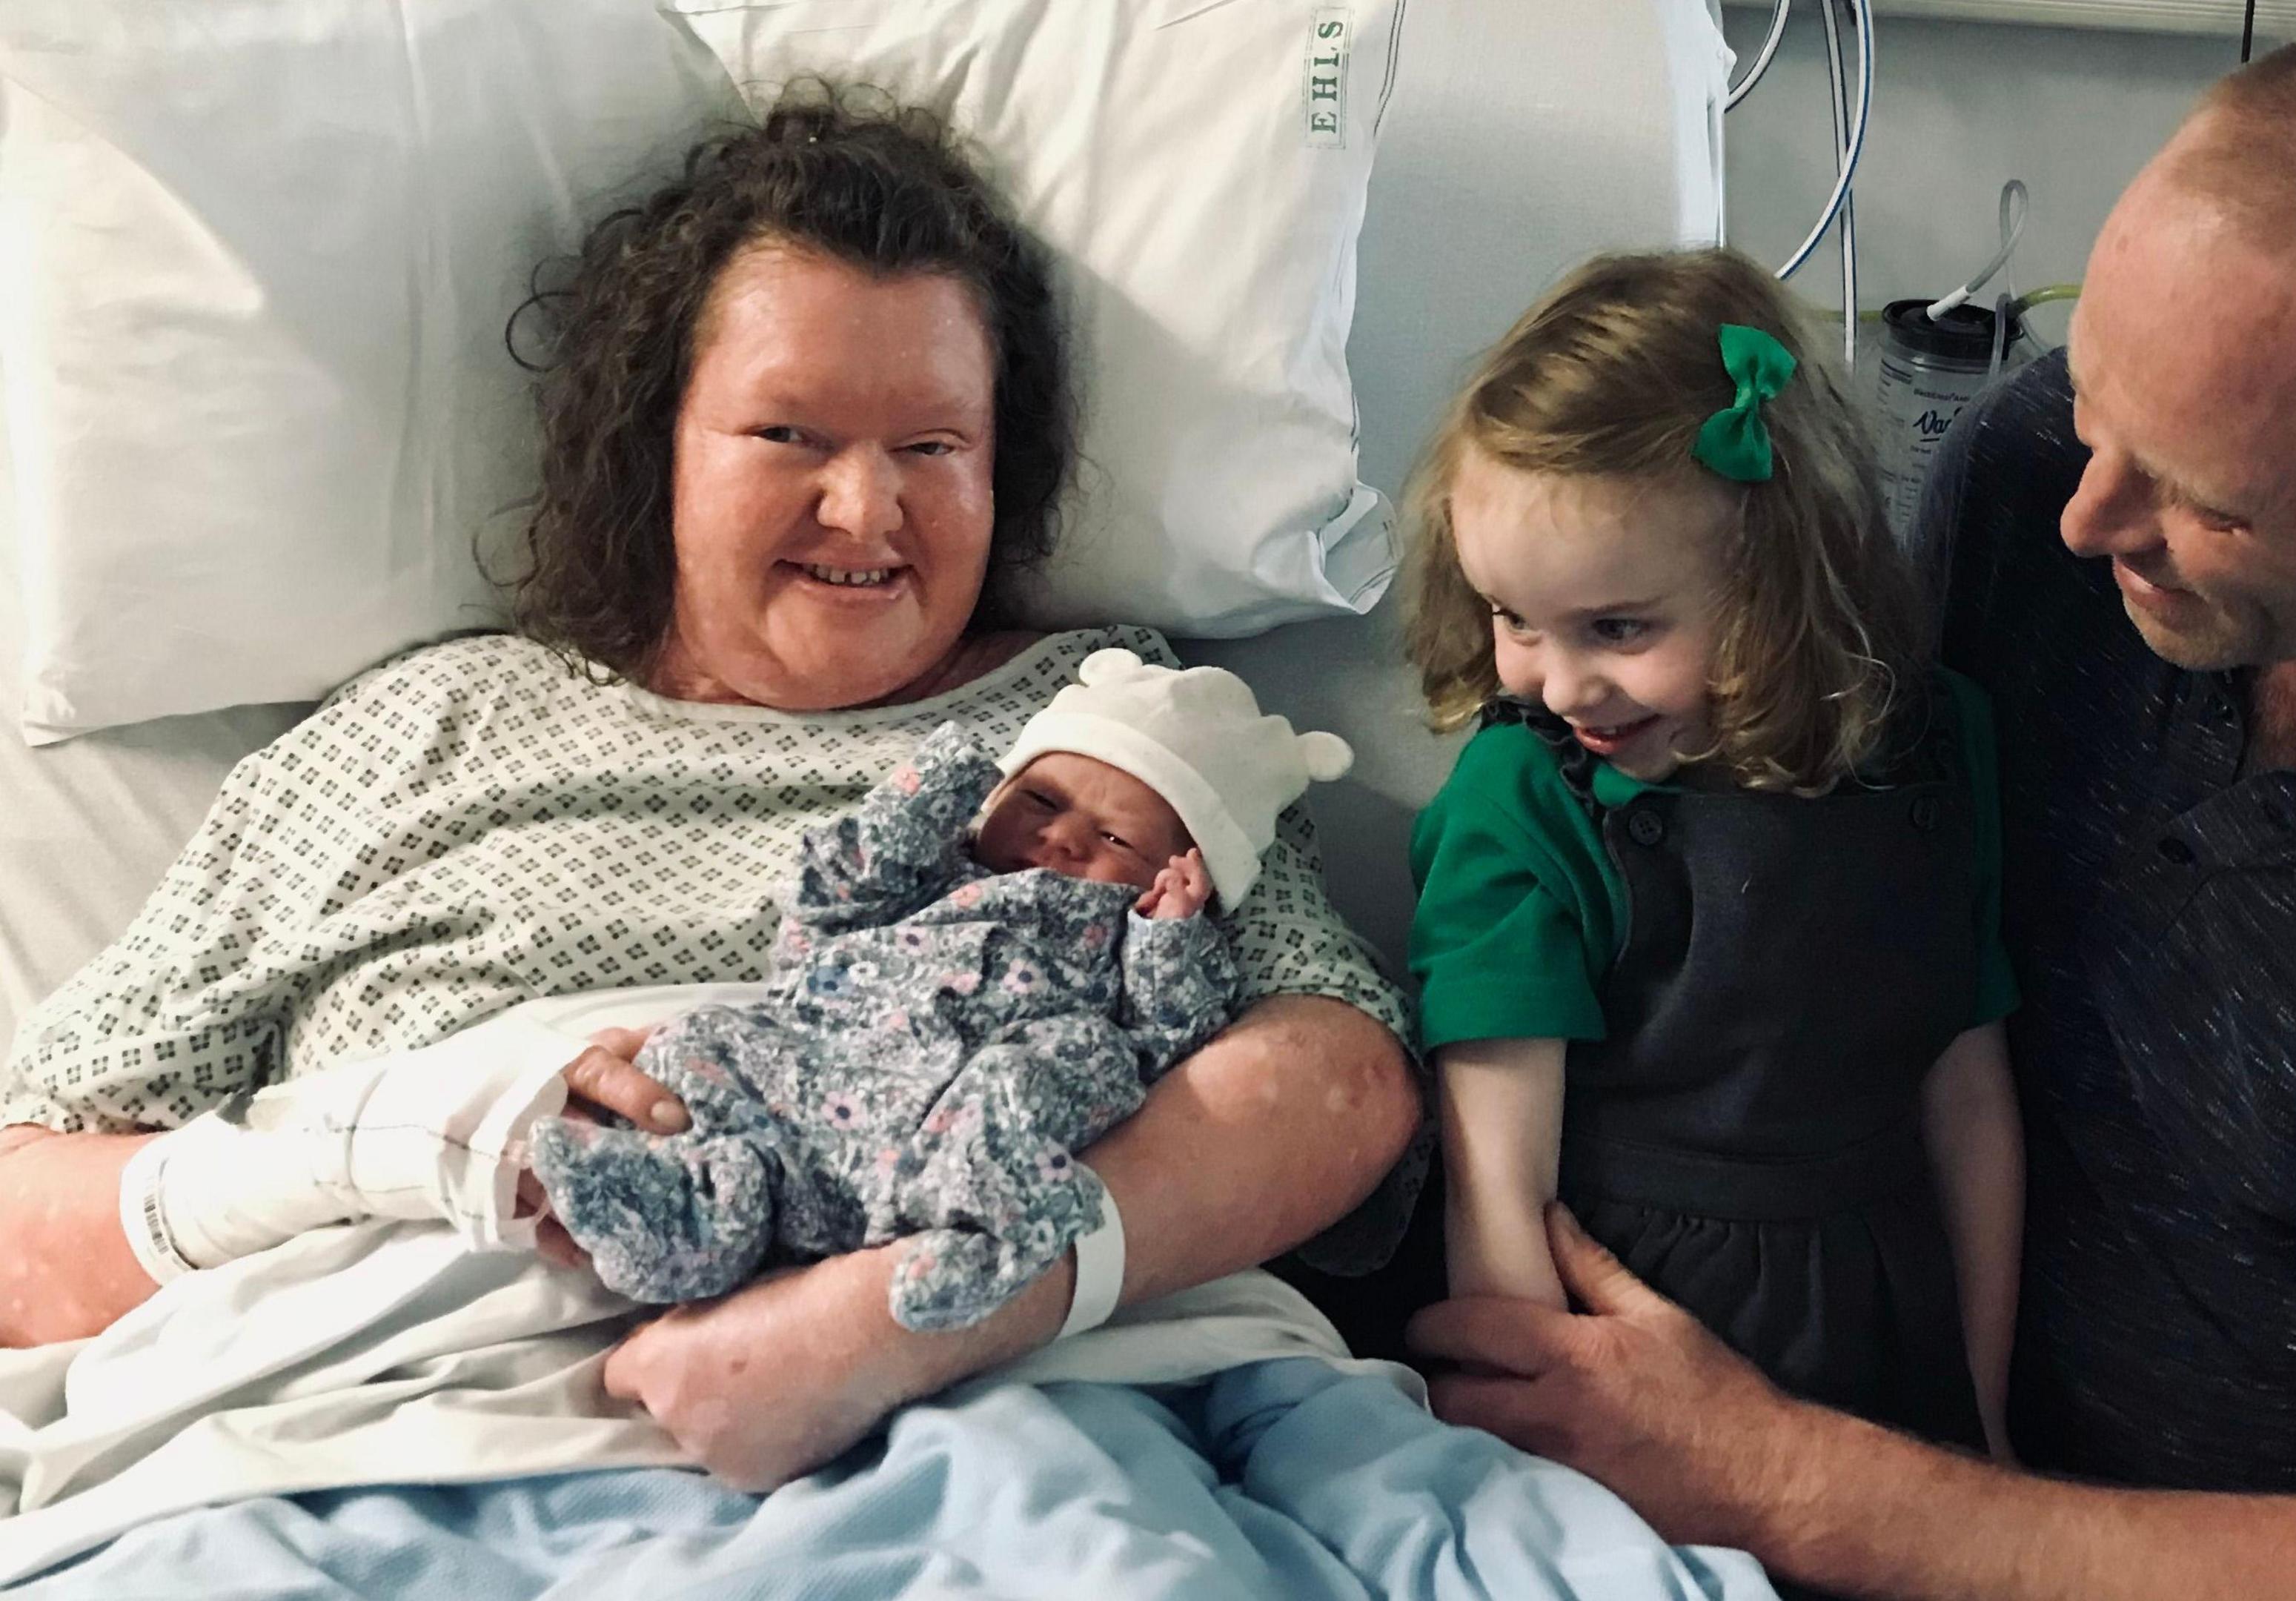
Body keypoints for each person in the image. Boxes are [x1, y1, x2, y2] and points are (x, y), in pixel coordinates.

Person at [1409, 13, 2296, 1601]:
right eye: (2094, 408)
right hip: (1905, 1412)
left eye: (2213, 500)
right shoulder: (2046, 482)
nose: (2090, 520)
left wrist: (1773, 1472)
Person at [0, 93, 1419, 1494]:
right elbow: (20, 1223)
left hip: (1018, 1440)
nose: (866, 512)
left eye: (933, 446)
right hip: (390, 1447)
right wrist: (387, 1141)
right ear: (655, 446)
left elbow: (1340, 1079)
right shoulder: (415, 733)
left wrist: (897, 1323)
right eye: (788, 436)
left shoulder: (1112, 725)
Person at [1398, 249, 2025, 1463]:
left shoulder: (1939, 746)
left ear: (1781, 582)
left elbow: (1969, 1093)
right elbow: (1495, 1178)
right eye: (1513, 617)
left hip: (1883, 1317)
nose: (1555, 679)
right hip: (1620, 1326)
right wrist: (1543, 1471)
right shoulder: (1524, 795)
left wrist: (1989, 1412)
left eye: (1618, 628)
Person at [531, 649, 1351, 1328]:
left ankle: (983, 1235)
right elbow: (824, 904)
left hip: (951, 1121)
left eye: (1113, 837)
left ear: (1177, 873)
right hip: (822, 1078)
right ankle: (677, 1218)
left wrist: (1170, 935)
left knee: (1058, 1066)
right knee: (699, 1042)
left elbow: (1176, 1033)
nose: (1059, 838)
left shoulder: (1130, 936)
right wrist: (928, 796)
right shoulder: (929, 878)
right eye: (1037, 799)